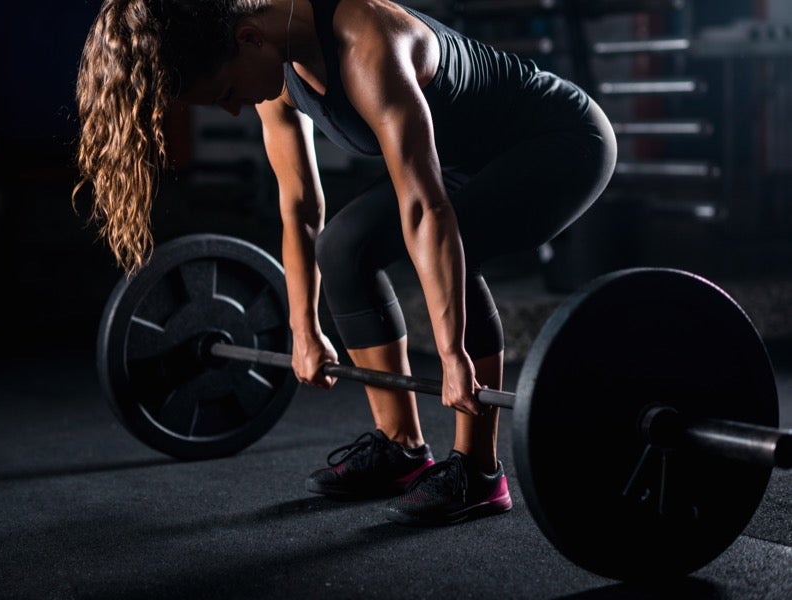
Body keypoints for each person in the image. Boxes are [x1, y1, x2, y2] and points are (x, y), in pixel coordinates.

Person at [74, 0, 617, 525]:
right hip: (462, 162)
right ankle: (402, 449)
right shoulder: (272, 60)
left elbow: (427, 210)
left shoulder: (368, 41)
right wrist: (302, 329)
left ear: (248, 39)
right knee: (342, 246)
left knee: (455, 241)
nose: (235, 107)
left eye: (228, 93)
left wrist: (451, 354)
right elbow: (301, 209)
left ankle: (479, 473)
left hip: (559, 143)